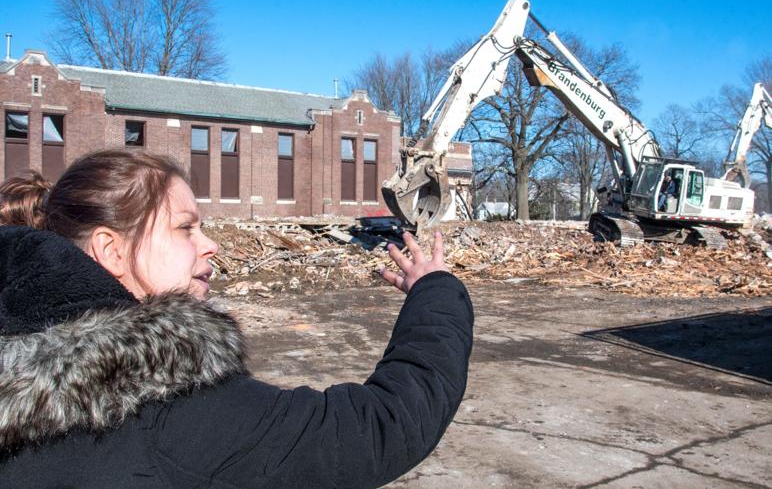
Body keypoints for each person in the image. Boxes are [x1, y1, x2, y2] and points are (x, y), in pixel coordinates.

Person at [0, 149, 474, 487]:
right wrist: (436, 290)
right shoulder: (166, 408)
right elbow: (375, 430)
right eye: (186, 227)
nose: (211, 244)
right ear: (111, 250)